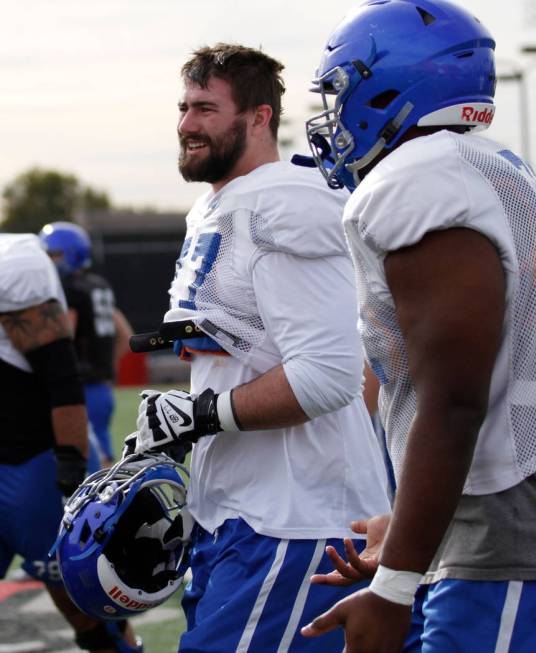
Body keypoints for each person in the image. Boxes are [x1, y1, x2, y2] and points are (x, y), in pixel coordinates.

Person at [300, 1, 536, 652]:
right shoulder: (483, 169)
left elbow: (456, 402)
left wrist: (393, 587)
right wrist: (405, 527)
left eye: (339, 92)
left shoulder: (420, 178)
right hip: (504, 521)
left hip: (513, 535)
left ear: (390, 83)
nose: (332, 115)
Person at [130, 43, 390, 653]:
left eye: (206, 109)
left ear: (259, 117)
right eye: (184, 107)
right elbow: (243, 352)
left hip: (297, 520)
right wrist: (178, 421)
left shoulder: (284, 204)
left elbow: (329, 376)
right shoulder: (218, 205)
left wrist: (199, 417)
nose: (187, 125)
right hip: (244, 513)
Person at [0, 233, 142, 652]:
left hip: (31, 467)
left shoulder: (14, 267)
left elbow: (61, 376)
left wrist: (68, 463)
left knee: (85, 603)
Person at [39, 221, 134, 470]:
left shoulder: (69, 289)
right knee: (102, 459)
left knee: (89, 465)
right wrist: (105, 366)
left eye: (54, 254)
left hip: (79, 390)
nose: (49, 260)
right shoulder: (98, 285)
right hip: (100, 387)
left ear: (72, 254)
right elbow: (125, 334)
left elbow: (63, 338)